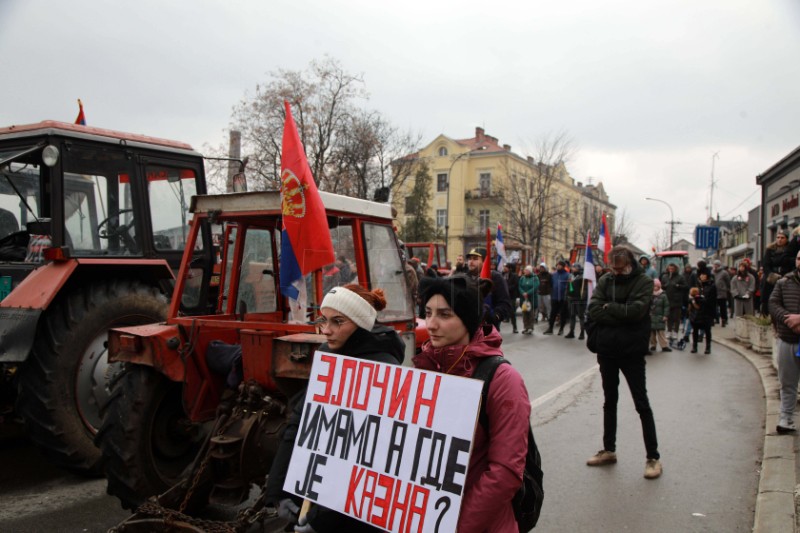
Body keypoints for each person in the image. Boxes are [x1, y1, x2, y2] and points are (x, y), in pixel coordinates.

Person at [266, 284, 405, 533]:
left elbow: (367, 459)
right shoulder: (328, 354)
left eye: (337, 322)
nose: (326, 330)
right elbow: (301, 421)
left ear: (361, 323)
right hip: (318, 491)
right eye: (324, 320)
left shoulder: (384, 367)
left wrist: (322, 521)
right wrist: (279, 488)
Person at [414, 274, 531, 531]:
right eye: (428, 312)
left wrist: (456, 526)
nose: (430, 324)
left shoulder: (502, 379)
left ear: (468, 319)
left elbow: (505, 472)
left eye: (445, 315)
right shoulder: (424, 369)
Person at [586, 245, 662, 480]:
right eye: (613, 269)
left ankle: (653, 457)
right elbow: (594, 309)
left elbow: (637, 311)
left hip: (632, 352)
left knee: (642, 404)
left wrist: (611, 308)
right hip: (607, 350)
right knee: (610, 401)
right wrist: (618, 312)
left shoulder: (644, 281)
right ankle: (609, 450)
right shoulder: (607, 280)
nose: (616, 273)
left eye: (620, 269)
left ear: (630, 264)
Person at [768, 249, 800, 433]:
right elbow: (773, 304)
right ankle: (786, 418)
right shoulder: (784, 282)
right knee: (787, 382)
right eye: (798, 258)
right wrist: (789, 318)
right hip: (788, 339)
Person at [466, 247, 513, 330]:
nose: (471, 261)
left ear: (484, 261)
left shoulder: (495, 277)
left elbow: (505, 304)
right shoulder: (464, 278)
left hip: (488, 329)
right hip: (467, 329)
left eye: (475, 259)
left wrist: (495, 316)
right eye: (469, 259)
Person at [762, 229, 800, 315]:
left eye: (782, 237)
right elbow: (766, 265)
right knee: (767, 299)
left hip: (785, 276)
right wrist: (771, 275)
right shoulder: (770, 250)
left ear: (786, 239)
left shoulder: (790, 249)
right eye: (778, 237)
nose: (779, 239)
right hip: (770, 279)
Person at [688, 266, 717, 354]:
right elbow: (691, 296)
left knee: (707, 330)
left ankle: (708, 347)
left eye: (704, 275)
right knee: (695, 330)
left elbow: (713, 300)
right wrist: (692, 299)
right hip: (696, 311)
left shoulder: (712, 286)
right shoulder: (697, 285)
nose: (702, 276)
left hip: (706, 311)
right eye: (701, 275)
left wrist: (702, 299)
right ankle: (694, 346)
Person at [659, 263, 686, 346]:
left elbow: (685, 286)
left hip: (677, 300)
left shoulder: (680, 277)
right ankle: (669, 331)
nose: (671, 269)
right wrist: (664, 286)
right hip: (667, 299)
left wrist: (678, 286)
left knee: (676, 317)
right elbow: (661, 286)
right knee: (669, 317)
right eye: (670, 268)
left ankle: (675, 332)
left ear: (675, 268)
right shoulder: (665, 276)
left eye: (672, 268)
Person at [544, 261, 570, 335]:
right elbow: (551, 284)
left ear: (563, 266)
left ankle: (561, 329)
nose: (558, 266)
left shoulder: (567, 275)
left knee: (563, 314)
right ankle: (550, 328)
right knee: (553, 313)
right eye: (557, 265)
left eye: (560, 265)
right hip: (555, 297)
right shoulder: (554, 275)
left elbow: (569, 286)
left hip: (563, 297)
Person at [565, 263, 587, 340]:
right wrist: (566, 295)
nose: (573, 268)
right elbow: (568, 286)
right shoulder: (571, 276)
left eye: (574, 267)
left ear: (578, 268)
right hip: (571, 298)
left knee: (581, 316)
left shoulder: (582, 277)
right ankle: (571, 331)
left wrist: (582, 297)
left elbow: (585, 289)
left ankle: (582, 332)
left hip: (579, 299)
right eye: (573, 267)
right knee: (572, 315)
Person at [649, 279, 671, 354]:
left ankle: (664, 345)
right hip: (651, 316)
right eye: (654, 286)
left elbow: (666, 306)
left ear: (659, 286)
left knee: (661, 332)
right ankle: (653, 345)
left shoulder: (663, 295)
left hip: (660, 316)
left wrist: (665, 315)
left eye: (656, 286)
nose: (655, 287)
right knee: (652, 333)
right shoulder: (649, 295)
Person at [519, 264, 539, 335]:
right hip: (524, 298)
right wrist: (523, 292)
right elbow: (520, 286)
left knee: (531, 313)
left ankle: (530, 327)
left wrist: (528, 293)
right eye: (525, 270)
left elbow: (535, 287)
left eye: (527, 270)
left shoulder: (535, 278)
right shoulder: (522, 278)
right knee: (524, 313)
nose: (525, 271)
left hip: (531, 298)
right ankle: (525, 327)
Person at [503, 263, 521, 333]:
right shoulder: (503, 274)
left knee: (512, 312)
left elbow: (515, 285)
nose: (504, 268)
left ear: (510, 268)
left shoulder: (514, 275)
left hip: (511, 296)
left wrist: (507, 288)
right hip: (504, 296)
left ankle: (515, 327)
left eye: (506, 267)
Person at [712, 260, 731, 326]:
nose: (715, 266)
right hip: (714, 293)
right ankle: (714, 319)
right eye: (714, 264)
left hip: (722, 292)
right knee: (714, 307)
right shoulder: (712, 272)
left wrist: (726, 288)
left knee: (723, 307)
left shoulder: (724, 273)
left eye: (717, 265)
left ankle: (724, 319)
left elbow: (728, 282)